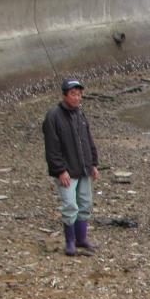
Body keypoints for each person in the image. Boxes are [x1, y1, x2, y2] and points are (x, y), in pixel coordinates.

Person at [42, 78, 99, 256]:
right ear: (64, 95)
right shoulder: (53, 116)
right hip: (67, 171)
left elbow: (88, 140)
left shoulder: (80, 114)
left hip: (83, 169)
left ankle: (81, 238)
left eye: (79, 94)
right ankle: (70, 242)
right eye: (73, 94)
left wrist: (94, 164)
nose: (77, 98)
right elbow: (52, 147)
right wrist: (60, 170)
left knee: (85, 203)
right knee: (69, 206)